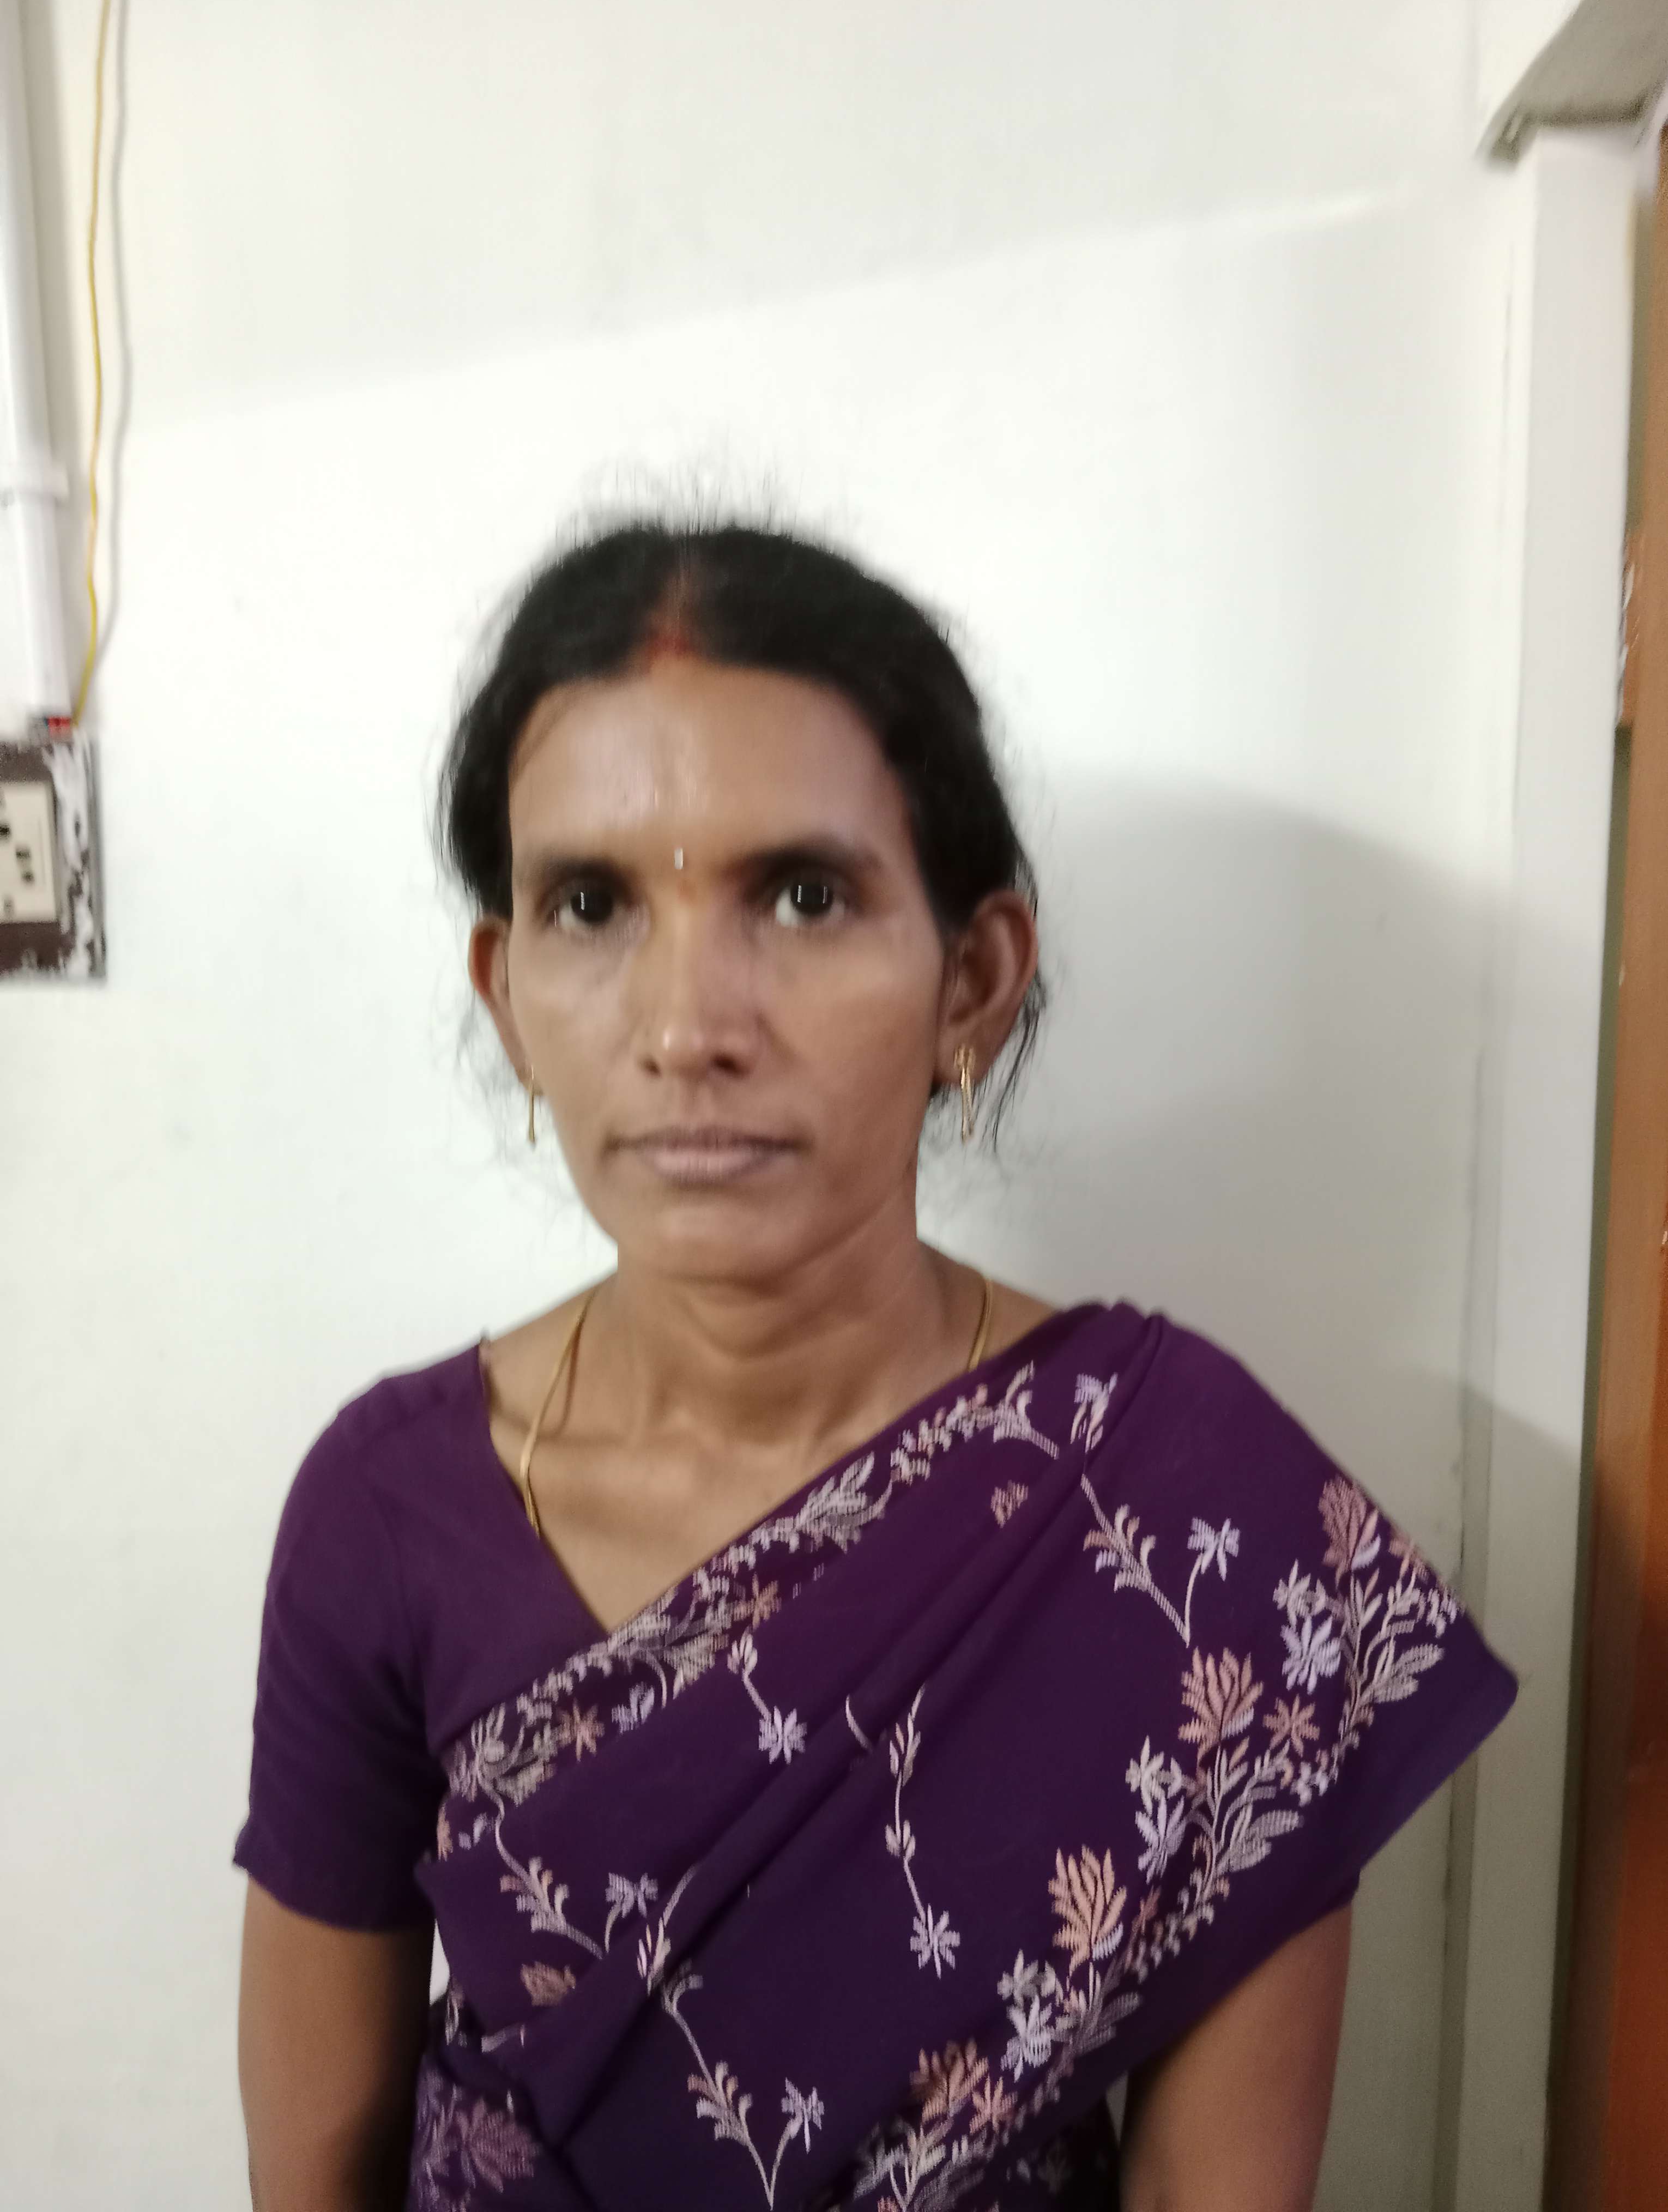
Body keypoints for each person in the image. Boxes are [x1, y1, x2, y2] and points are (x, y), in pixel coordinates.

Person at [234, 521, 1515, 2212]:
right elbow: (309, 2171)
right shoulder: (389, 1509)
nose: (687, 1026)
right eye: (590, 905)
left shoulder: (1189, 1514)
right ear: (506, 995)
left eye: (803, 894)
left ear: (970, 980)